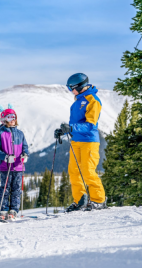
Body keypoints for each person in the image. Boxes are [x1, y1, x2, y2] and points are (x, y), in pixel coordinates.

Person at [54, 73, 106, 212]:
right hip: (76, 141)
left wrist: (71, 128)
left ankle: (98, 200)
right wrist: (64, 130)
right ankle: (80, 201)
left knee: (88, 171)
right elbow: (75, 124)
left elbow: (91, 125)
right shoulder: (77, 101)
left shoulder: (92, 100)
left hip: (89, 141)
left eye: (72, 88)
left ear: (80, 86)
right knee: (74, 172)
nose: (71, 91)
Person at [0, 104, 30, 221]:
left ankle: (14, 210)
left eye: (14, 117)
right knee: (5, 188)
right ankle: (2, 210)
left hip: (18, 166)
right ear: (3, 120)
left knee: (16, 188)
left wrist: (25, 155)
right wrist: (5, 157)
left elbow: (25, 147)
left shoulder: (20, 134)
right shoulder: (0, 134)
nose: (12, 120)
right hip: (6, 166)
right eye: (9, 117)